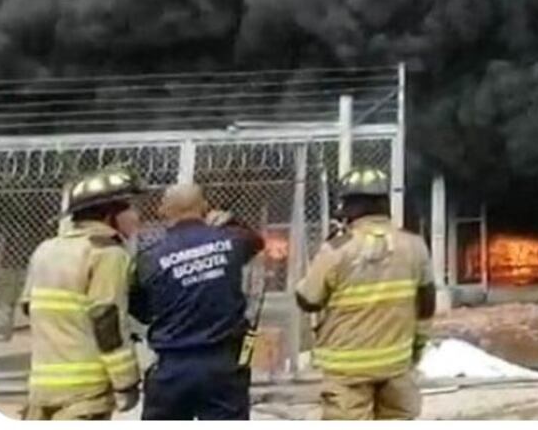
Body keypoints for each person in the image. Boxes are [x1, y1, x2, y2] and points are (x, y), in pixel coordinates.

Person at [296, 167, 435, 420]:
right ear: (384, 203)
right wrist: (416, 348)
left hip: (347, 371)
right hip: (397, 364)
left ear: (349, 206)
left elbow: (308, 300)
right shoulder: (414, 245)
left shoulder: (337, 248)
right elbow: (427, 305)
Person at [128, 183, 264, 420]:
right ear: (205, 207)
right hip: (223, 363)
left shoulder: (150, 258)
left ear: (163, 211)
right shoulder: (231, 240)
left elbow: (140, 310)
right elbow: (256, 241)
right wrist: (230, 219)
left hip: (171, 367)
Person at [20, 166, 144, 420]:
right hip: (86, 395)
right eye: (129, 207)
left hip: (40, 388)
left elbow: (28, 307)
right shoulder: (108, 253)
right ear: (109, 214)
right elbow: (106, 319)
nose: (137, 215)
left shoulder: (46, 249)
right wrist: (126, 381)